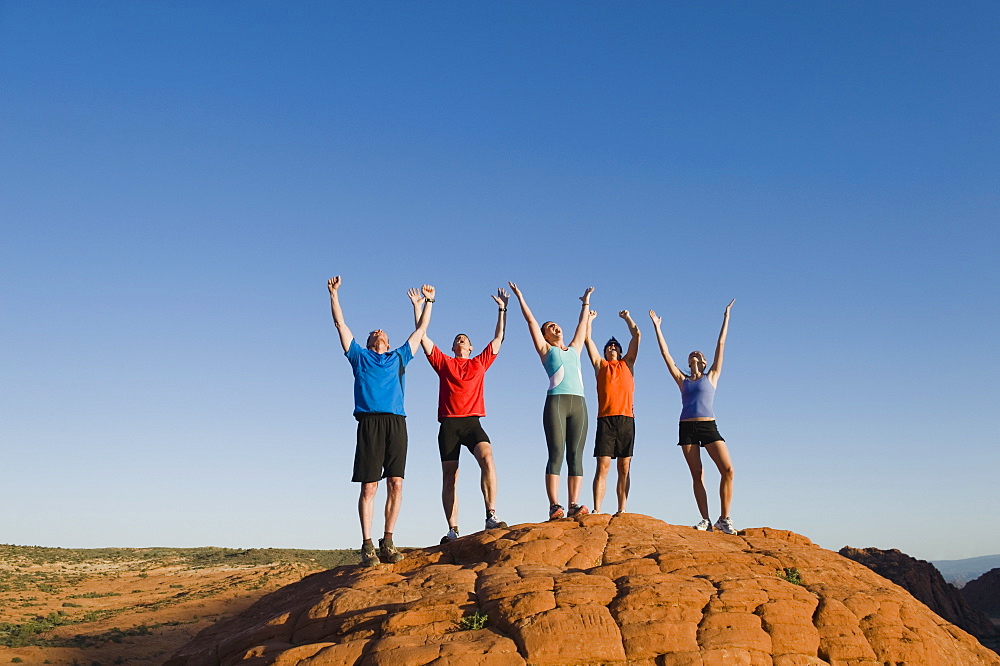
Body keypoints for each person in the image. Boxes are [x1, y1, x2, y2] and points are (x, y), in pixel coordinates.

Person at [328, 276, 434, 567]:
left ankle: (388, 541)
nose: (379, 331)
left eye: (382, 331)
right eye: (374, 331)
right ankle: (367, 545)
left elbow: (421, 330)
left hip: (397, 423)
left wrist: (428, 302)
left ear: (387, 341)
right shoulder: (359, 357)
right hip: (370, 424)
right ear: (369, 341)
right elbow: (341, 325)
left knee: (396, 483)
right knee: (369, 487)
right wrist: (334, 294)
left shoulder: (399, 357)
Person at [409, 287, 511, 545]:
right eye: (457, 339)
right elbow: (422, 337)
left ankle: (491, 515)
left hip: (472, 422)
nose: (461, 340)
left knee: (487, 457)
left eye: (464, 338)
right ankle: (453, 530)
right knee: (450, 476)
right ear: (454, 347)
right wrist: (419, 306)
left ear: (471, 346)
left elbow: (499, 337)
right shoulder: (443, 362)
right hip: (449, 425)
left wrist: (502, 308)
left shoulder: (479, 362)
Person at [649, 300, 736, 534]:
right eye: (692, 354)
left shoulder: (713, 376)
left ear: (705, 361)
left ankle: (724, 519)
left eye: (700, 353)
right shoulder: (682, 379)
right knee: (697, 474)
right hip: (686, 428)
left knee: (728, 470)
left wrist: (726, 316)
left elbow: (720, 343)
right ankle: (705, 520)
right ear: (689, 362)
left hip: (708, 427)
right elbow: (665, 353)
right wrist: (657, 327)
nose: (696, 354)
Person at [508, 282, 593, 521]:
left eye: (555, 324)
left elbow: (582, 325)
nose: (554, 327)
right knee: (557, 452)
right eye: (549, 327)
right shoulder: (545, 350)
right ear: (545, 335)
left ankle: (574, 503)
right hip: (556, 402)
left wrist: (586, 301)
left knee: (576, 454)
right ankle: (555, 505)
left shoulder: (575, 349)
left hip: (579, 404)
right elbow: (531, 322)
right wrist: (520, 297)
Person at [584, 308, 640, 515]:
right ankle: (597, 510)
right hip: (605, 420)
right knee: (603, 466)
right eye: (609, 346)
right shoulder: (600, 365)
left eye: (616, 346)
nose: (612, 348)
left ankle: (622, 509)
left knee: (624, 467)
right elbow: (587, 340)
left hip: (626, 419)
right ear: (605, 351)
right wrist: (589, 321)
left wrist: (627, 317)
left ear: (621, 351)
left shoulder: (628, 363)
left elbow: (637, 335)